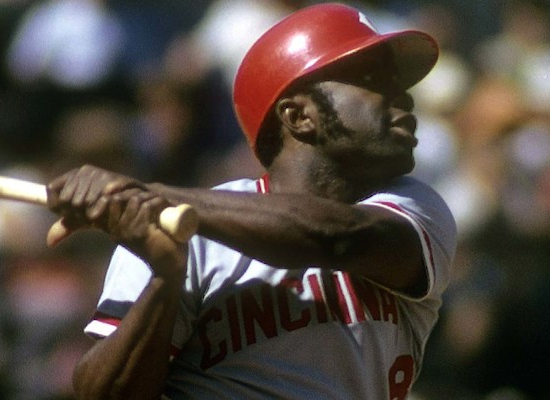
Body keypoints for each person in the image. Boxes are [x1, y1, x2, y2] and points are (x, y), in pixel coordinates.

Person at [46, 4, 457, 399]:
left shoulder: (415, 207)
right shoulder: (175, 232)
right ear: (298, 116)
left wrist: (154, 196)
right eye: (372, 79)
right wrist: (164, 281)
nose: (404, 97)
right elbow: (106, 393)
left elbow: (334, 236)